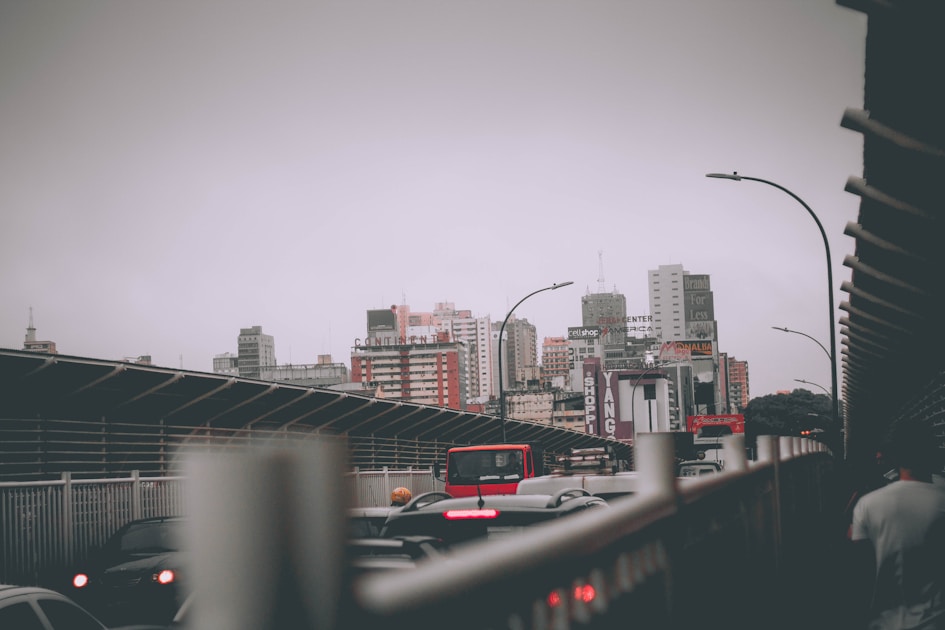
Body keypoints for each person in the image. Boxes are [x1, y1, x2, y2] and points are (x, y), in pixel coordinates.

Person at [849, 419, 945, 629]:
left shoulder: (868, 504)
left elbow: (860, 573)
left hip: (884, 621)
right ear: (931, 450)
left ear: (893, 455)